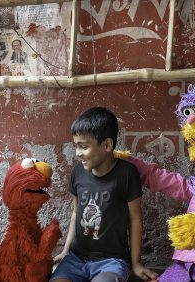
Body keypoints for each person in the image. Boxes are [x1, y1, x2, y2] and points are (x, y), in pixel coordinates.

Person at [50, 107, 158, 282]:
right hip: (76, 259)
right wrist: (65, 250)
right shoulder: (78, 172)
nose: (78, 153)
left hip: (111, 262)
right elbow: (76, 213)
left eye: (83, 146)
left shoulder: (127, 174)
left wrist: (136, 264)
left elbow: (135, 219)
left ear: (107, 145)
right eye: (76, 146)